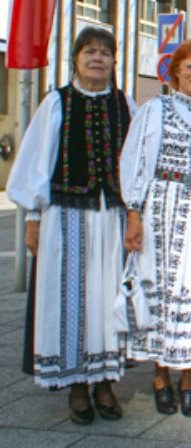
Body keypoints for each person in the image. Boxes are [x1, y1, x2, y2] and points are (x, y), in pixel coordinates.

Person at [6, 26, 136, 425]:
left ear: (114, 60)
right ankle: (77, 385)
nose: (98, 58)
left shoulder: (124, 103)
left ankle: (105, 381)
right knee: (71, 298)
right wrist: (31, 219)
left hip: (112, 216)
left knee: (107, 296)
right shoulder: (56, 102)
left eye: (105, 52)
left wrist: (136, 214)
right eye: (90, 52)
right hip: (66, 215)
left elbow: (135, 164)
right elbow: (35, 161)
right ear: (76, 59)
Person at [120, 39, 191, 417]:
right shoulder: (154, 110)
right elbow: (136, 159)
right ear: (175, 71)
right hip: (162, 208)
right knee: (163, 289)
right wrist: (134, 212)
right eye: (190, 66)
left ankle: (188, 382)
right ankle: (161, 376)